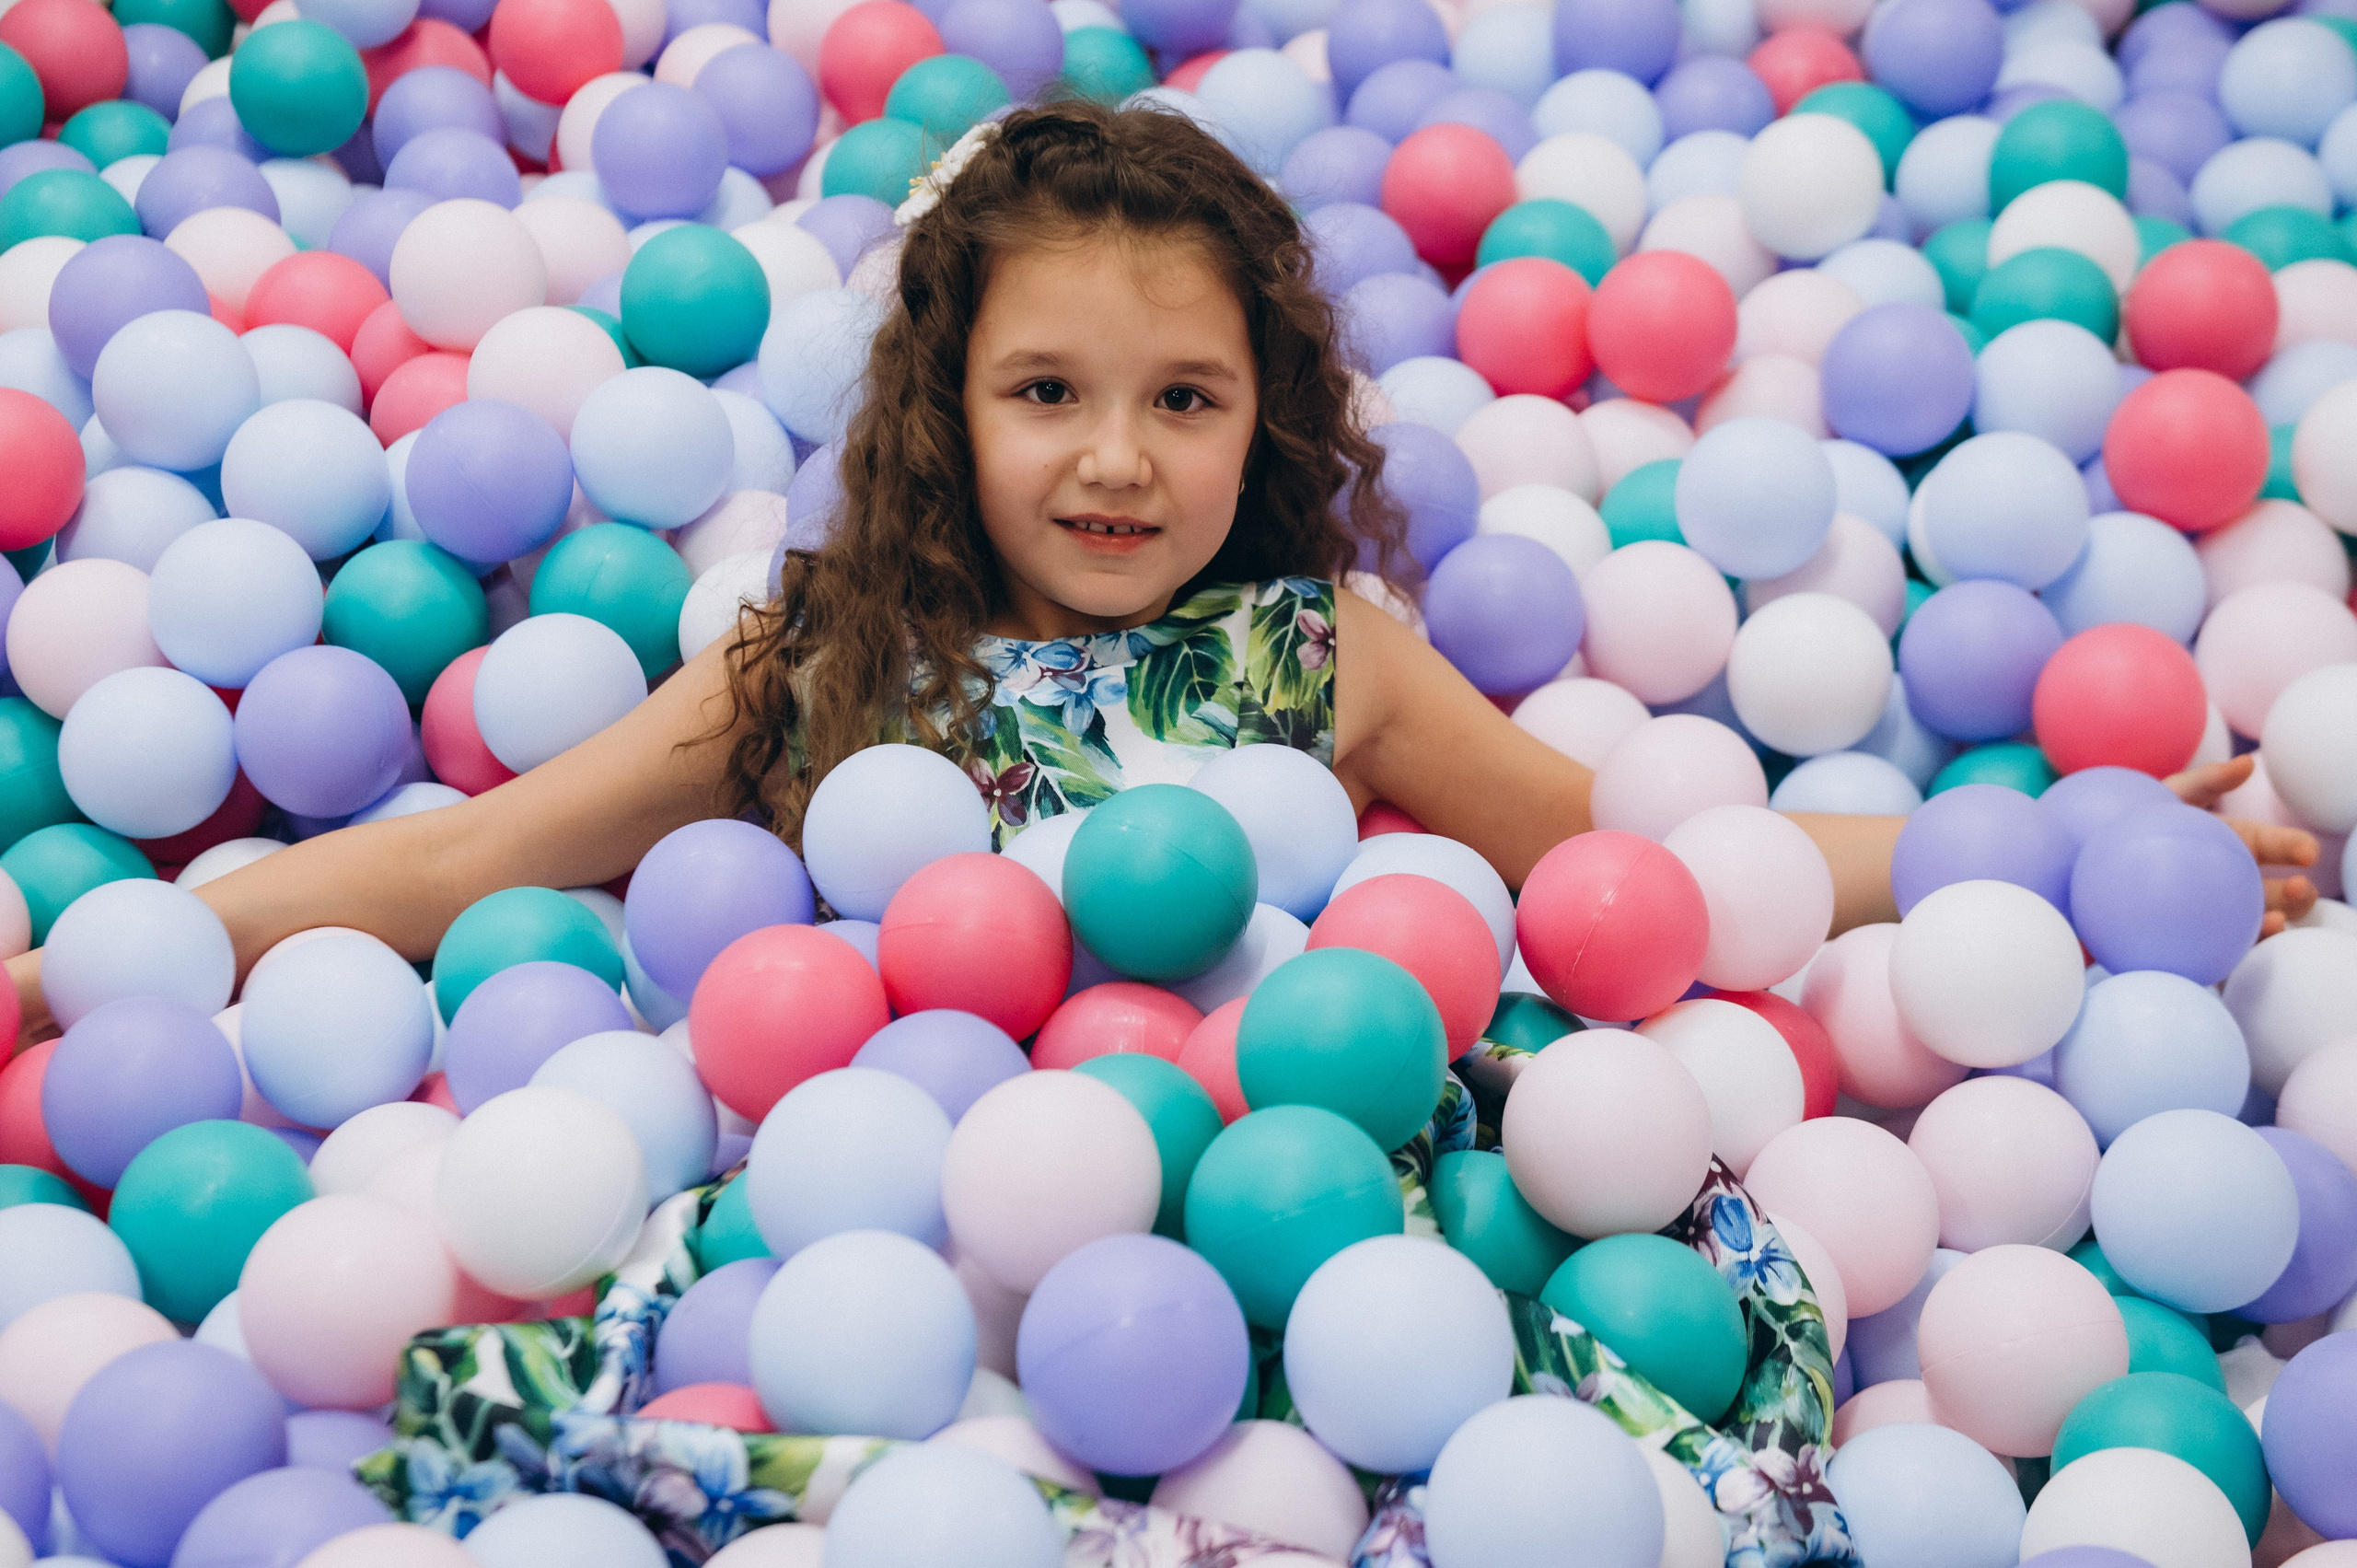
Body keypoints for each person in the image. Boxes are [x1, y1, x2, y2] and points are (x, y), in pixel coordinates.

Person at [4, 99, 2318, 1049]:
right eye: (1045, 397)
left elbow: (1659, 875)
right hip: (887, 1230)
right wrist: (90, 967)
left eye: (1183, 404)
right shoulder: (818, 669)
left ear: (1262, 420)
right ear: (946, 410)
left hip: (1274, 1227)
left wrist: (2080, 857)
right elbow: (468, 858)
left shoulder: (1325, 663)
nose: (1115, 459)